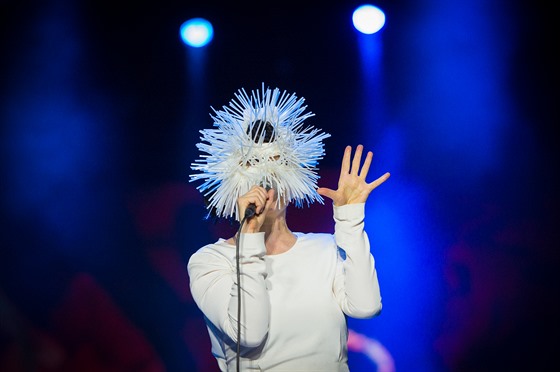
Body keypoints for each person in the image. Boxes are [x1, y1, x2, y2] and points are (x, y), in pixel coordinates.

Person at [187, 84, 390, 371]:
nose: (265, 178)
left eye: (275, 164)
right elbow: (248, 333)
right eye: (251, 164)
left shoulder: (324, 248)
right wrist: (250, 237)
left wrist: (350, 218)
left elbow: (366, 306)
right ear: (232, 184)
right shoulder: (210, 261)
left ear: (293, 182)